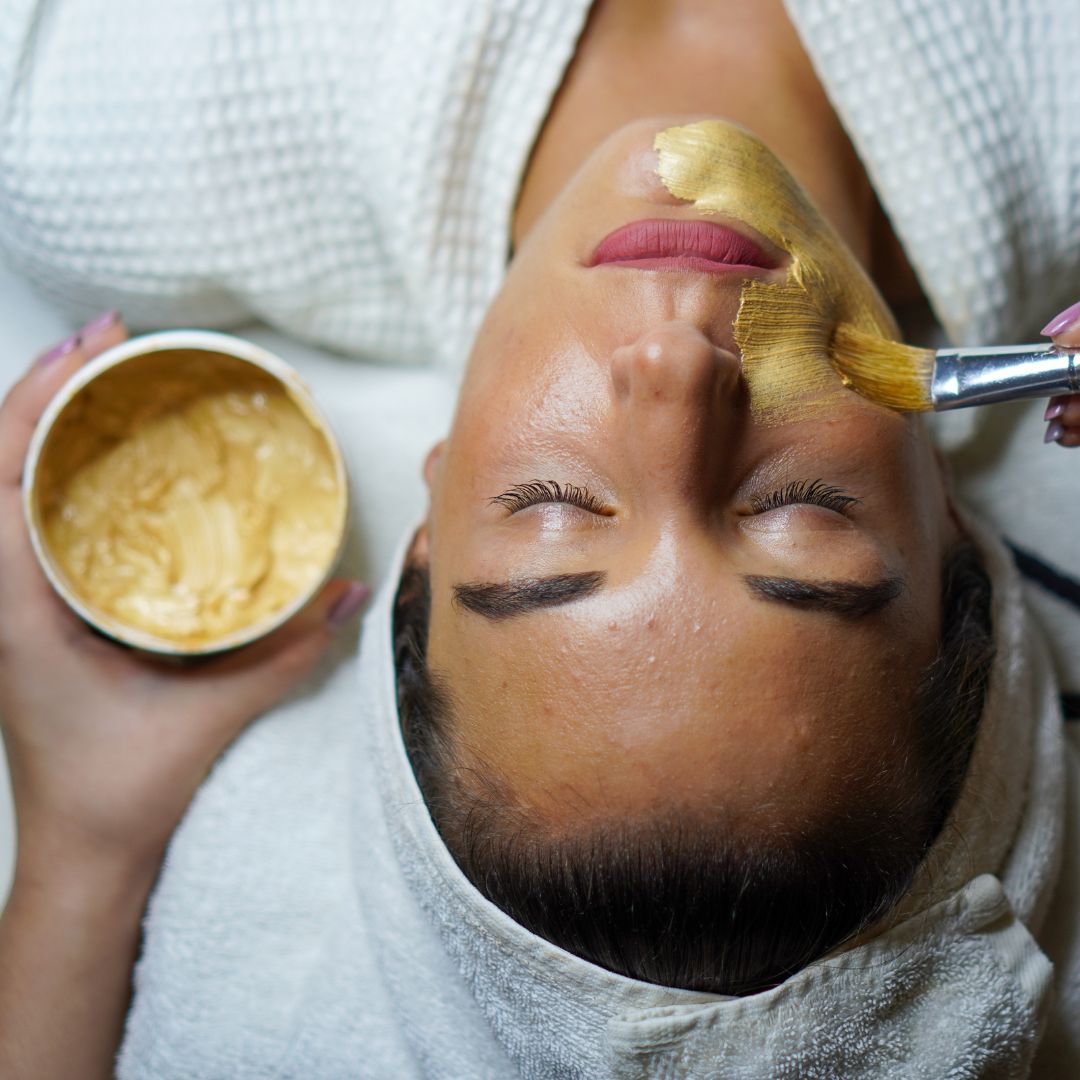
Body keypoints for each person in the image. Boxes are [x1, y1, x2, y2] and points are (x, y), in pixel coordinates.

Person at [0, 2, 1078, 1077]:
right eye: (800, 508)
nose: (676, 371)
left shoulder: (89, 131)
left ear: (436, 502)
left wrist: (80, 845)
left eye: (554, 504)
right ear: (943, 507)